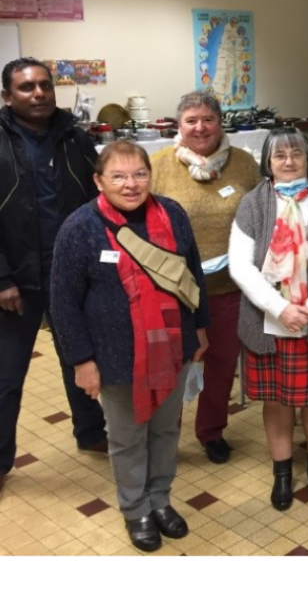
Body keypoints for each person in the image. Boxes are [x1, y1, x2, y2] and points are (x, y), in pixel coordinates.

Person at [49, 140, 210, 552]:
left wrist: (200, 328)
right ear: (98, 181)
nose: (131, 184)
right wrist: (81, 361)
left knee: (166, 431)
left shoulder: (171, 214)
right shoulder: (80, 227)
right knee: (126, 438)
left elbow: (191, 275)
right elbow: (63, 303)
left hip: (172, 346)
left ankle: (160, 500)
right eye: (118, 176)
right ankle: (135, 508)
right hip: (116, 357)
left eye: (139, 173)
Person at [229, 128, 308, 510]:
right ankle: (282, 473)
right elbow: (240, 265)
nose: (289, 161)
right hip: (269, 322)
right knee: (277, 402)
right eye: (280, 155)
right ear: (267, 162)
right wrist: (279, 307)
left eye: (296, 154)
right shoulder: (253, 204)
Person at [1, 58, 108, 498]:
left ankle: (90, 431)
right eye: (27, 88)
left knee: (79, 360)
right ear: (8, 96)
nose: (39, 93)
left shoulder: (76, 139)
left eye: (45, 85)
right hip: (16, 283)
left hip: (72, 276)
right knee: (6, 377)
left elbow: (101, 199)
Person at [150, 91, 261, 464]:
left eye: (208, 119)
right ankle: (166, 434)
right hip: (173, 290)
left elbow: (262, 216)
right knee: (173, 368)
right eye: (191, 120)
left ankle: (211, 431)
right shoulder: (158, 165)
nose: (200, 127)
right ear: (179, 125)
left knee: (221, 363)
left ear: (220, 122)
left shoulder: (244, 164)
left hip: (229, 287)